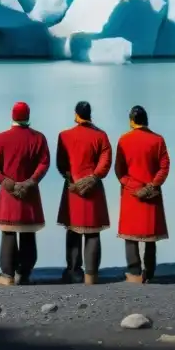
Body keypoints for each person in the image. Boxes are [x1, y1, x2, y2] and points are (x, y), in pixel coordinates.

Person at [0, 101, 50, 286]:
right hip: (29, 193)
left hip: (9, 195)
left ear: (12, 116)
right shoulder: (39, 138)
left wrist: (8, 184)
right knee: (28, 233)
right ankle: (24, 274)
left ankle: (7, 275)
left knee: (8, 232)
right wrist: (30, 181)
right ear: (28, 116)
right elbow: (44, 163)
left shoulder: (1, 138)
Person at [56, 100, 112, 285]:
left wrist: (73, 180)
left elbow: (61, 164)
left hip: (72, 189)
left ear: (76, 115)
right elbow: (105, 164)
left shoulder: (64, 135)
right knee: (93, 233)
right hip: (93, 190)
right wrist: (92, 178)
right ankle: (92, 274)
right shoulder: (101, 136)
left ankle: (73, 271)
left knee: (73, 231)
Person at [114, 105, 170, 284]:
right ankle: (150, 271)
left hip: (132, 194)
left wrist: (132, 186)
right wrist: (152, 185)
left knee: (131, 235)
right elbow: (164, 167)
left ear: (131, 121)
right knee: (150, 235)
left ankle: (134, 271)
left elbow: (119, 171)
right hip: (152, 192)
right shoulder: (158, 140)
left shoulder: (124, 140)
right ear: (147, 120)